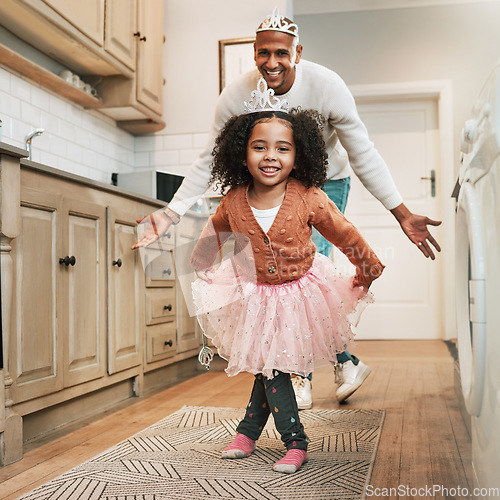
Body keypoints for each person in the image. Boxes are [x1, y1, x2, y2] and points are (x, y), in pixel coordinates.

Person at [132, 7, 441, 406]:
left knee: (313, 266)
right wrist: (170, 212)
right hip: (270, 176)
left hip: (324, 177)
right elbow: (208, 159)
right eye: (263, 53)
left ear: (297, 52)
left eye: (281, 53)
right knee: (278, 272)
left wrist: (401, 213)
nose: (272, 62)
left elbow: (362, 152)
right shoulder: (235, 95)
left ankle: (300, 374)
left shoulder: (327, 86)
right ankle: (342, 362)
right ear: (254, 53)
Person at [189, 79, 384, 474]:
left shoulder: (308, 195)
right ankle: (249, 431)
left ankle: (294, 441)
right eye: (259, 147)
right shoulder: (232, 200)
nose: (270, 156)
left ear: (298, 155)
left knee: (274, 367)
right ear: (241, 155)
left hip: (299, 294)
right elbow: (211, 236)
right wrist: (203, 268)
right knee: (268, 365)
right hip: (253, 295)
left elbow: (343, 233)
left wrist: (368, 267)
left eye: (282, 148)